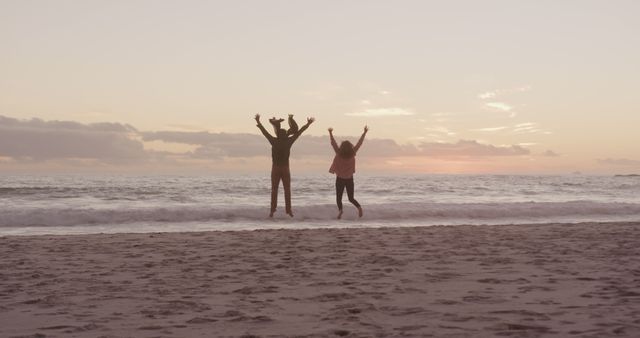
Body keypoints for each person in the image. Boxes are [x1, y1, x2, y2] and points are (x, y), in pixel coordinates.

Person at [255, 114, 315, 217]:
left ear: (278, 134)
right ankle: (288, 210)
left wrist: (259, 122)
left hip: (276, 168)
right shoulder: (288, 141)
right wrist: (308, 124)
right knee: (287, 190)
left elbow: (265, 132)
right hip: (285, 168)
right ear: (286, 135)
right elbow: (299, 132)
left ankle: (272, 210)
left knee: (274, 189)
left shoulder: (274, 141)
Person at [328, 126, 368, 219]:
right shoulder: (353, 153)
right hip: (349, 179)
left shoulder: (338, 153)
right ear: (350, 147)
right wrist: (364, 132)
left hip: (340, 179)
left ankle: (340, 210)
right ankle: (359, 208)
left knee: (339, 198)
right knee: (351, 198)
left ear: (342, 147)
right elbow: (360, 143)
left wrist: (330, 133)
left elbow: (333, 143)